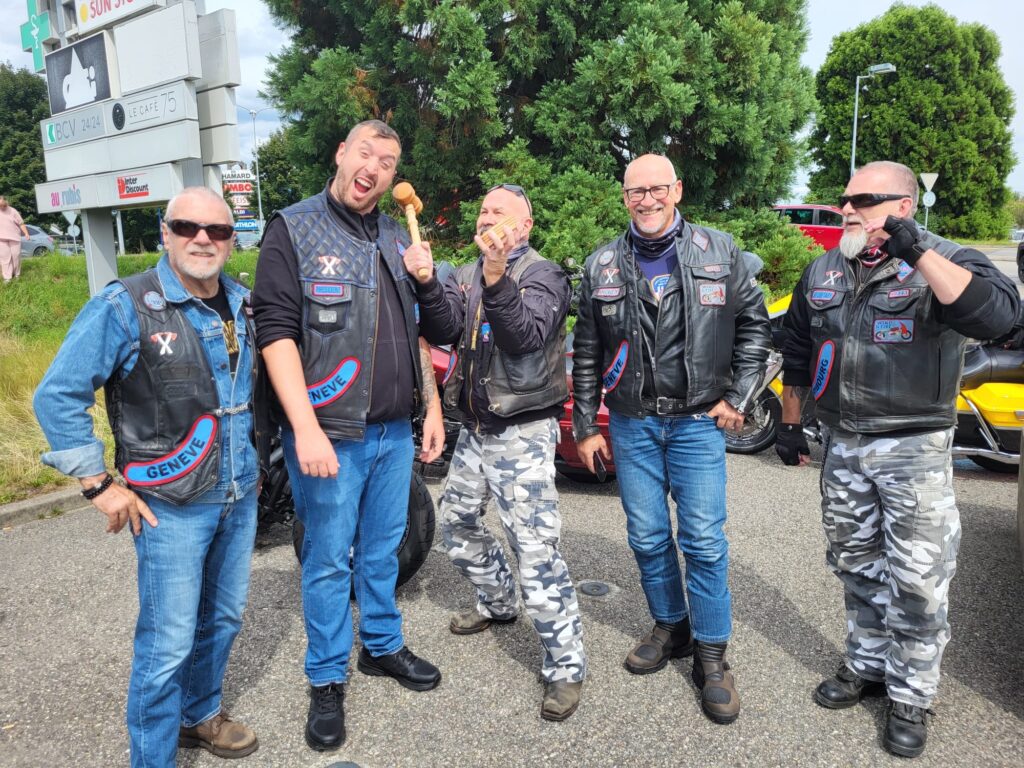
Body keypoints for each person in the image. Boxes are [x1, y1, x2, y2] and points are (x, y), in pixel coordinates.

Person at [775, 160, 1018, 758]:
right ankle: (867, 664)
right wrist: (790, 422)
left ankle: (911, 692)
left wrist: (915, 253)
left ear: (904, 207)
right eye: (845, 199)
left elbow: (998, 316)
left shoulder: (945, 258)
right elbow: (798, 347)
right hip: (844, 444)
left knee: (918, 579)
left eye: (864, 200)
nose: (847, 210)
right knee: (855, 563)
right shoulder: (826, 268)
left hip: (914, 447)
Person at [33, 187, 264, 767]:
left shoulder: (244, 303)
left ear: (231, 240)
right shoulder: (125, 305)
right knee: (167, 644)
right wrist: (97, 483)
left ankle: (199, 715)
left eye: (217, 230)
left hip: (239, 492)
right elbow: (57, 395)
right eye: (188, 227)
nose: (203, 239)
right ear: (165, 232)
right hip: (169, 504)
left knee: (225, 618)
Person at [251, 119, 445, 752]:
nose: (374, 168)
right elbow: (275, 334)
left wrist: (431, 405)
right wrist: (304, 428)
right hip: (329, 434)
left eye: (387, 162)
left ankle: (381, 646)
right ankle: (327, 677)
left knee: (383, 551)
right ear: (341, 153)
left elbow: (426, 331)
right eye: (366, 153)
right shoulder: (293, 228)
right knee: (329, 560)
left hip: (393, 431)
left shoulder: (396, 235)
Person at [571, 154, 770, 725]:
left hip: (697, 423)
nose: (647, 200)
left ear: (677, 190)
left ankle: (712, 655)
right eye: (636, 191)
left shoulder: (720, 251)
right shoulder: (602, 264)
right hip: (632, 422)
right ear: (624, 197)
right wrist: (586, 425)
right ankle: (672, 626)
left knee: (703, 541)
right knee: (647, 536)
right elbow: (587, 351)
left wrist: (739, 397)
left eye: (657, 188)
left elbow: (755, 328)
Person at [402, 183, 587, 721]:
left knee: (534, 548)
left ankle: (566, 666)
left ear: (524, 226)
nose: (487, 217)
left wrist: (498, 274)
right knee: (455, 522)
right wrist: (426, 282)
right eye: (483, 210)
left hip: (522, 433)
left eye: (499, 212)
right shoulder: (464, 273)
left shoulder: (544, 275)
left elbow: (523, 337)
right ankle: (499, 602)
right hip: (476, 430)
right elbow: (441, 328)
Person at [0, 195, 30, 283]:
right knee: (5, 258)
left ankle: (16, 274)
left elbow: (21, 223)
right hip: (1, 239)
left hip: (14, 238)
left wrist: (26, 233)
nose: (2, 207)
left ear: (6, 202)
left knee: (16, 256)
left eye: (3, 205)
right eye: (0, 206)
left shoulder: (13, 211)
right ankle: (7, 277)